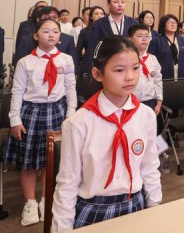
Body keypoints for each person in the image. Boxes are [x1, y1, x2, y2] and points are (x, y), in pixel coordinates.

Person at [52, 36, 161, 231]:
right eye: (119, 70)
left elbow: (150, 166)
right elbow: (67, 184)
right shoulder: (78, 123)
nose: (130, 76)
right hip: (94, 208)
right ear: (97, 74)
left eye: (135, 68)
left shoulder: (146, 116)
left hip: (135, 204)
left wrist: (155, 207)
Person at [5, 19, 76, 226]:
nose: (51, 35)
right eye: (46, 31)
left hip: (57, 112)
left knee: (50, 161)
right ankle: (30, 203)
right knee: (28, 162)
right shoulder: (25, 62)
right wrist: (15, 119)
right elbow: (17, 91)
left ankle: (46, 200)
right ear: (36, 36)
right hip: (31, 113)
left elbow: (70, 88)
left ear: (60, 37)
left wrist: (71, 114)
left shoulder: (66, 60)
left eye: (55, 31)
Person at [129, 24, 162, 114]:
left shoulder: (153, 59)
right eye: (140, 36)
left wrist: (159, 101)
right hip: (130, 101)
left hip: (150, 101)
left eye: (147, 36)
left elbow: (158, 80)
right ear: (130, 39)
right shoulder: (126, 59)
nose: (144, 39)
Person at [148, 14, 184, 80]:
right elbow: (151, 61)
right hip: (163, 77)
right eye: (170, 22)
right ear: (163, 24)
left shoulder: (183, 40)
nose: (173, 24)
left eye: (175, 22)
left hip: (182, 77)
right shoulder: (156, 41)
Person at [76, 6, 105, 78]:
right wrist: (75, 70)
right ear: (91, 17)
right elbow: (78, 52)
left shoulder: (108, 31)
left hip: (104, 64)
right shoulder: (85, 31)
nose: (99, 16)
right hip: (89, 65)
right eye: (96, 14)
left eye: (102, 14)